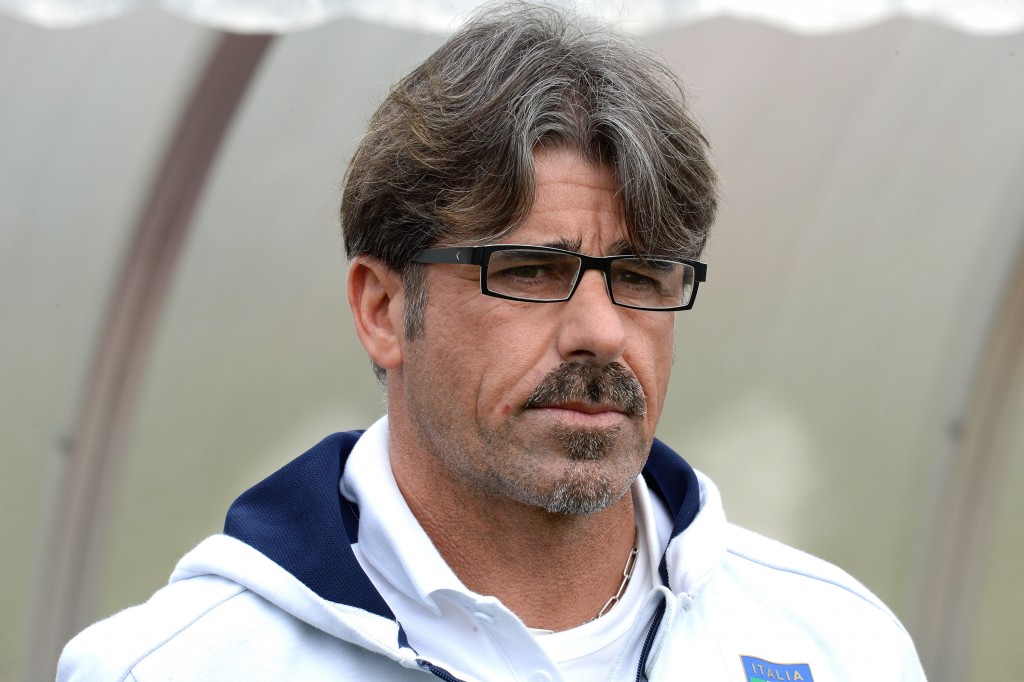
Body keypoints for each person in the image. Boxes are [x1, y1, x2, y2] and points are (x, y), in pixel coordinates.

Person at [58, 3, 926, 681]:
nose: (601, 330)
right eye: (532, 270)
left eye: (641, 274)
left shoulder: (840, 648)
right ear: (382, 309)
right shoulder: (180, 666)